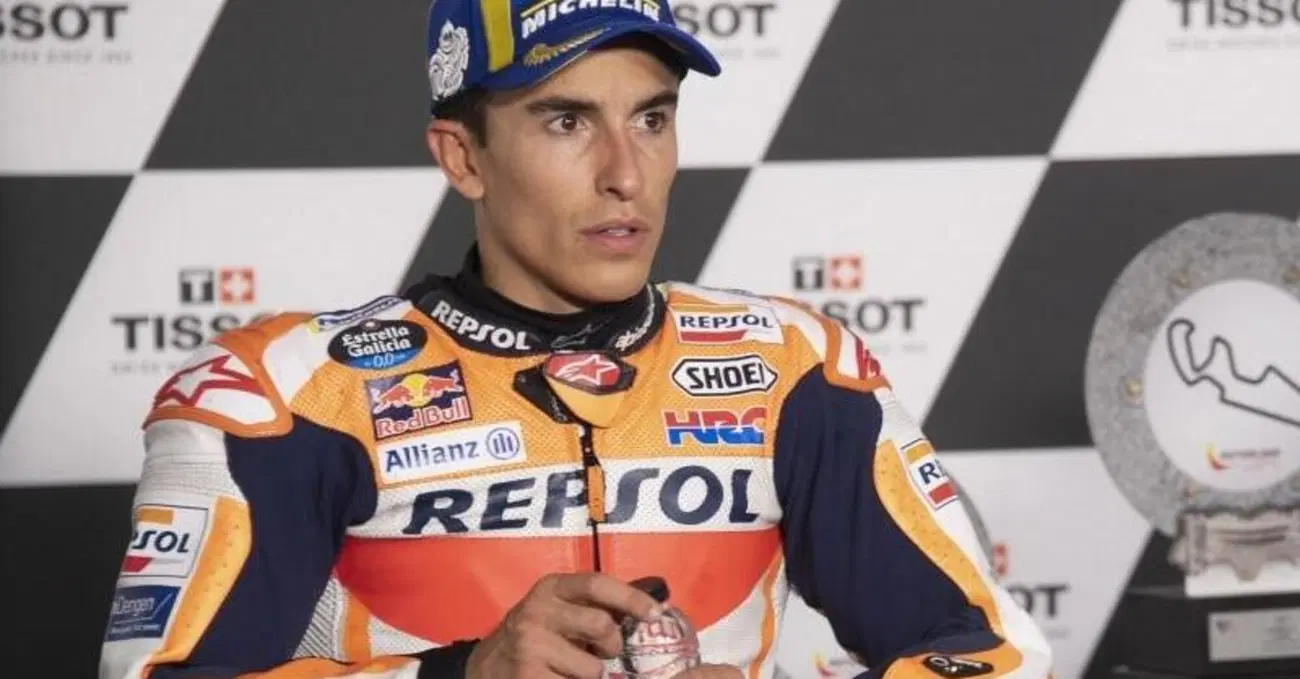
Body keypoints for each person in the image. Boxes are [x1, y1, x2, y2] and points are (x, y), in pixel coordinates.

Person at [98, 0, 1055, 677]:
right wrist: (458, 675)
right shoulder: (283, 394)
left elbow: (993, 655)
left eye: (652, 118)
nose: (625, 175)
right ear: (463, 157)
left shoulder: (795, 370)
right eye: (567, 121)